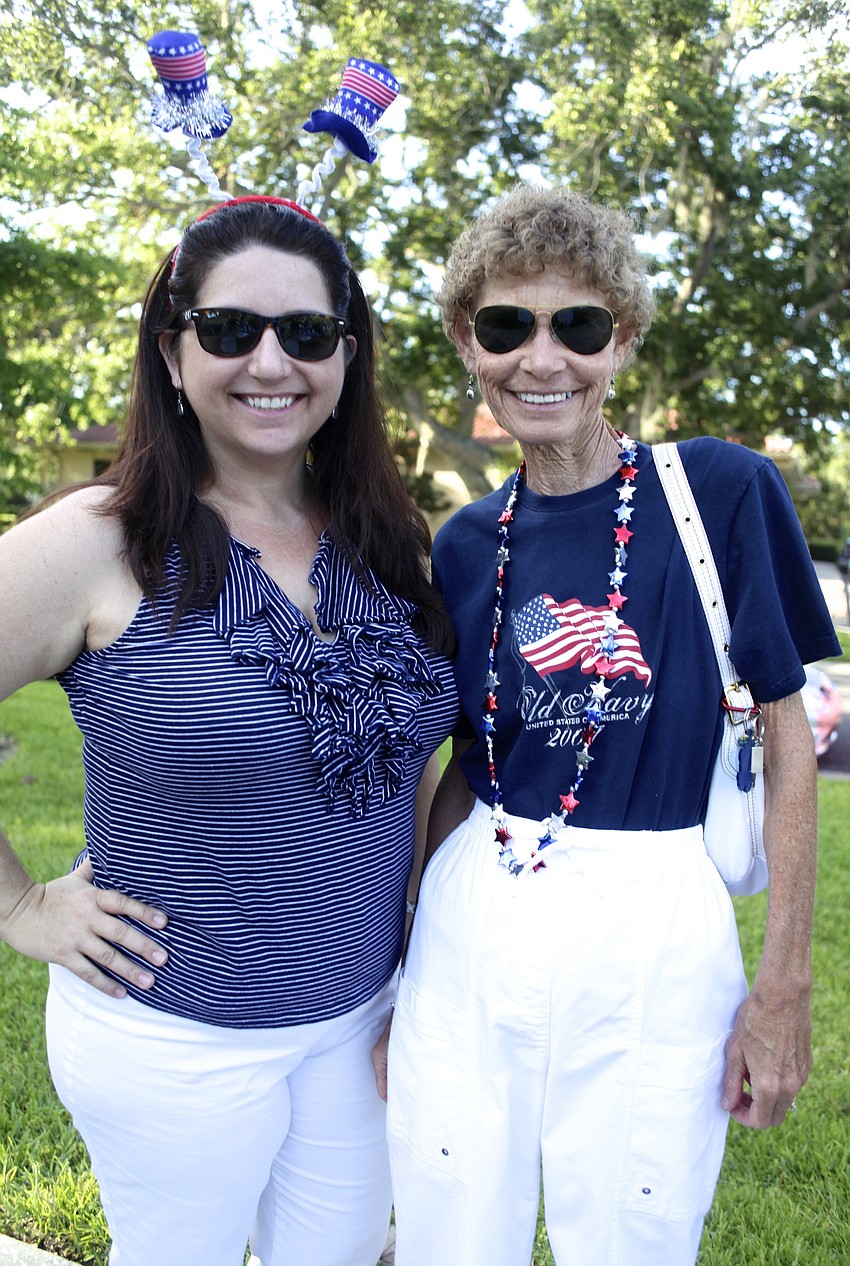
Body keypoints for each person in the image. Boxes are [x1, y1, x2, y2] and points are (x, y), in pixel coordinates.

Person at [381, 184, 841, 1266]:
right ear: (468, 343)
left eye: (576, 325)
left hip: (655, 911)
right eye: (507, 325)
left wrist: (783, 988)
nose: (542, 357)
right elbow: (460, 759)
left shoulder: (723, 492)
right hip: (478, 903)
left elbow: (787, 736)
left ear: (621, 339)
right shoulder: (464, 541)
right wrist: (404, 965)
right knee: (450, 1219)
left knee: (634, 1226)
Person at [0, 195, 457, 1266]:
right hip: (171, 1038)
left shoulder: (391, 540)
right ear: (172, 350)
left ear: (346, 358)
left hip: (363, 1019)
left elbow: (430, 748)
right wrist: (19, 905)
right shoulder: (98, 542)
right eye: (228, 330)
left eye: (305, 335)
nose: (270, 362)